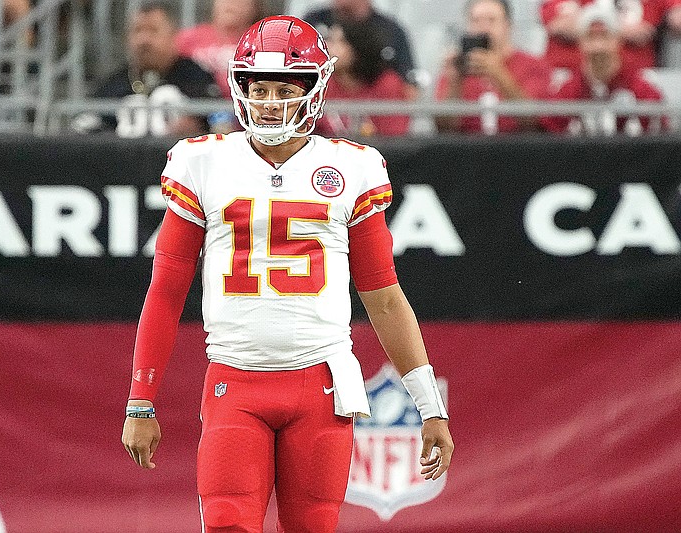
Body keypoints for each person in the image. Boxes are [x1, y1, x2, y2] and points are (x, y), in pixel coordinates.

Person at [121, 15, 454, 533]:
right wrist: (141, 402)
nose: (270, 102)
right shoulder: (205, 163)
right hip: (236, 378)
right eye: (259, 88)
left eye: (283, 89)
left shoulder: (352, 168)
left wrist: (430, 406)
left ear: (315, 89)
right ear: (239, 88)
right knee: (229, 524)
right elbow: (165, 291)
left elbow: (384, 297)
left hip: (319, 382)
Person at [74, 1, 219, 138]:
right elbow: (84, 128)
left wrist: (197, 130)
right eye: (138, 31)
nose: (144, 40)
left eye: (153, 30)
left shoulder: (196, 76)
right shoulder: (113, 83)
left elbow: (222, 124)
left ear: (173, 36)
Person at [542, 3, 667, 135]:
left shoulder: (641, 89)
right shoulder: (568, 91)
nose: (598, 46)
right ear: (580, 42)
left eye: (605, 36)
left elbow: (661, 132)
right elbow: (549, 130)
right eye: (591, 37)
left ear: (617, 39)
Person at [435, 0, 552, 134]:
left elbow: (534, 121)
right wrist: (454, 84)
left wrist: (499, 74)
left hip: (519, 148)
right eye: (476, 21)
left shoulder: (533, 65)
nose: (483, 28)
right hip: (467, 149)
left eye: (491, 20)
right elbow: (444, 128)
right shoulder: (458, 67)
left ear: (508, 26)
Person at [303, 0, 421, 100]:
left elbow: (410, 88)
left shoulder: (391, 31)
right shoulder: (313, 21)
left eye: (339, 41)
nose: (329, 47)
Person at [317, 20, 412, 137]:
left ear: (358, 47)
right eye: (329, 40)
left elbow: (394, 138)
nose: (327, 47)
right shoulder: (322, 81)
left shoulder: (387, 84)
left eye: (338, 42)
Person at [540, 0, 669, 71]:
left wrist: (587, 24)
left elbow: (643, 32)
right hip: (573, 75)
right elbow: (558, 26)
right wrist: (620, 29)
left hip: (631, 79)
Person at [175, 0, 266, 98]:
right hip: (195, 105)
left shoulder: (262, 43)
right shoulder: (189, 38)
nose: (230, 3)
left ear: (254, 6)